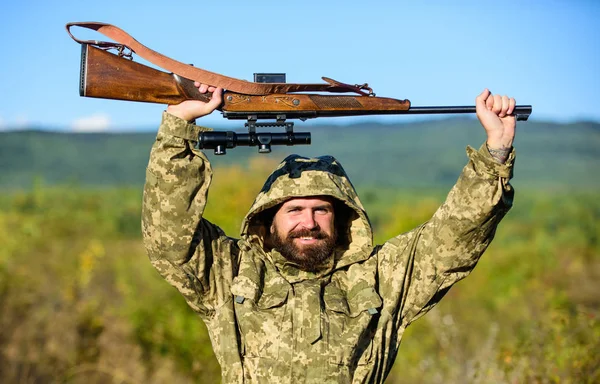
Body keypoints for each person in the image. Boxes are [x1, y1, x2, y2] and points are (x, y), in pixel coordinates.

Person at [142, 84, 516, 383]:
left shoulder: (379, 277)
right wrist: (178, 127)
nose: (309, 221)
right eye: (294, 210)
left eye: (321, 209)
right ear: (268, 220)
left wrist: (495, 153)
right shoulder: (232, 271)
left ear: (341, 220)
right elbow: (169, 236)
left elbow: (452, 241)